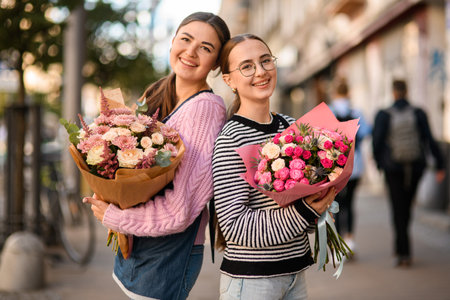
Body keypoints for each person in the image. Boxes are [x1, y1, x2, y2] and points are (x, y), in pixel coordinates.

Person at [83, 12, 230, 299]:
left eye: (206, 48)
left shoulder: (205, 108)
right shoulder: (160, 94)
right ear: (173, 41)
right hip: (142, 246)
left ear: (216, 64)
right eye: (186, 39)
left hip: (167, 254)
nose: (191, 51)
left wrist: (116, 216)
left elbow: (181, 210)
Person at [212, 33, 336, 300]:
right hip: (251, 282)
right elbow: (235, 226)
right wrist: (305, 211)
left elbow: (306, 210)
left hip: (295, 273)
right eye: (247, 66)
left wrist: (323, 202)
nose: (261, 71)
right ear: (229, 80)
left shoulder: (292, 126)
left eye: (266, 60)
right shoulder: (230, 140)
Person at [372, 79, 445, 267]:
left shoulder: (383, 115)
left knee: (397, 208)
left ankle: (402, 252)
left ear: (393, 92)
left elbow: (377, 142)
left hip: (393, 168)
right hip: (415, 167)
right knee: (407, 206)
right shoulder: (419, 113)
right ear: (407, 91)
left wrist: (380, 165)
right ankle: (405, 250)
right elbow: (429, 139)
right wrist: (440, 165)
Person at [329, 78, 371, 256]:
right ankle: (351, 240)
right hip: (355, 165)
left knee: (337, 204)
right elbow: (366, 131)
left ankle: (337, 244)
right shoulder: (356, 111)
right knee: (351, 204)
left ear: (335, 92)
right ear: (348, 93)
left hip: (334, 167)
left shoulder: (330, 110)